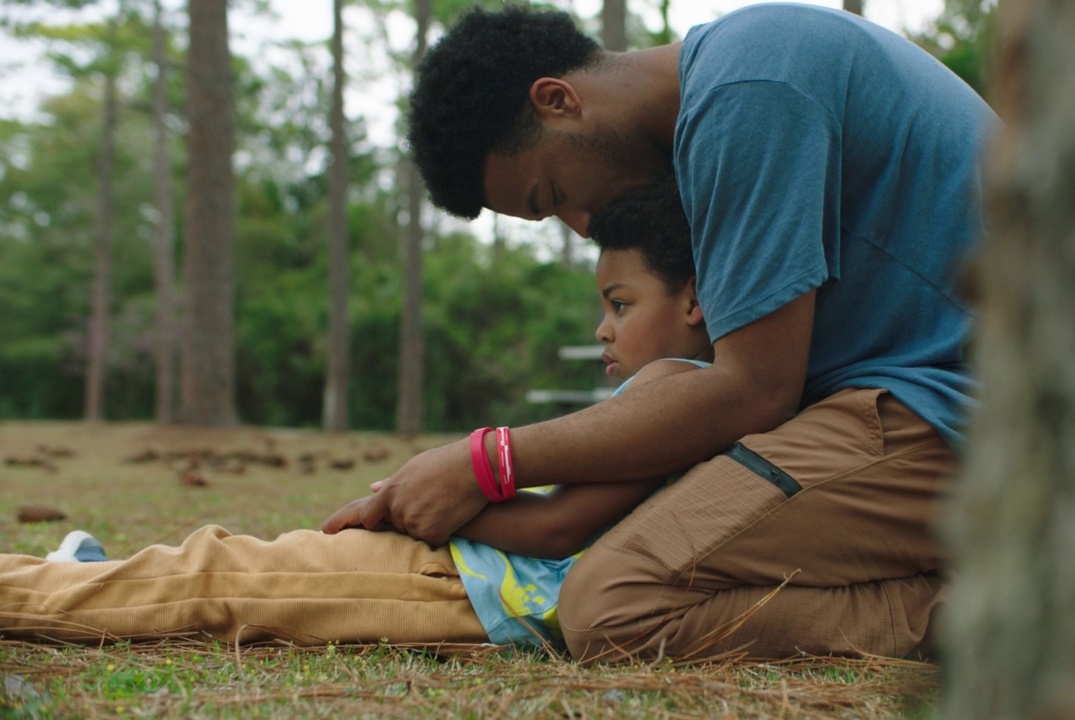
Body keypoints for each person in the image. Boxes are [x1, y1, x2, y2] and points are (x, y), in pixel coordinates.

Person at [323, 3, 995, 662]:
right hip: (926, 404)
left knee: (616, 604)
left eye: (550, 194)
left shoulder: (747, 94)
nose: (582, 226)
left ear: (557, 99)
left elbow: (755, 392)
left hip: (965, 412)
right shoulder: (734, 85)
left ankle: (998, 617)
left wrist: (488, 462)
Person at [0, 182, 711, 650]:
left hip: (466, 592)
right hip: (462, 574)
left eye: (621, 305)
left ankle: (36, 589)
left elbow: (558, 526)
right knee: (240, 564)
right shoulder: (683, 392)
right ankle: (81, 574)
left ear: (693, 300)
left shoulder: (682, 390)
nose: (602, 330)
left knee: (222, 578)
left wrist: (412, 509)